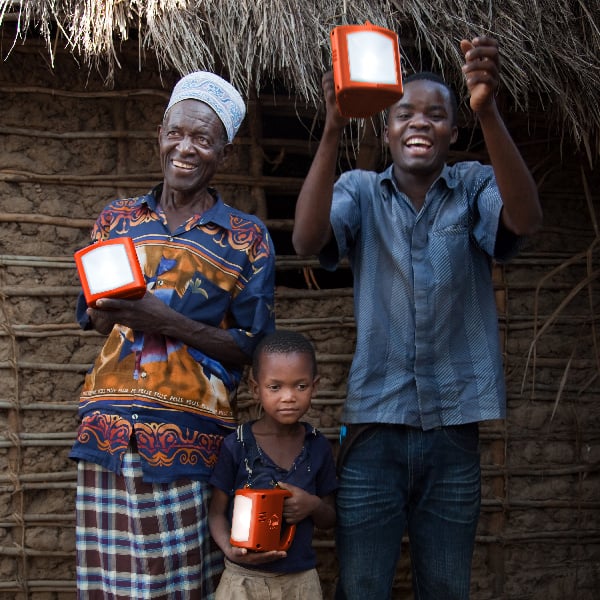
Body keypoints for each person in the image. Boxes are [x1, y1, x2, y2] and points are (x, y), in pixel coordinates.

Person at [292, 36, 543, 600]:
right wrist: (333, 126)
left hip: (455, 430)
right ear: (386, 130)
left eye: (437, 114)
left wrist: (489, 111)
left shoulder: (475, 184)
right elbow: (308, 240)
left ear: (454, 131)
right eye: (404, 113)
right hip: (375, 430)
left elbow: (524, 219)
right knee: (361, 586)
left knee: (446, 586)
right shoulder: (360, 192)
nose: (419, 123)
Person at [69, 71, 276, 599]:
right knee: (108, 588)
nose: (185, 148)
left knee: (178, 587)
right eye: (176, 133)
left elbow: (251, 346)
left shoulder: (246, 236)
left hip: (188, 438)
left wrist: (163, 321)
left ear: (223, 155)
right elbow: (91, 318)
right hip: (108, 432)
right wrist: (110, 307)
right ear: (160, 135)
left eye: (203, 140)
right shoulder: (117, 221)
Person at [208, 329, 337, 599]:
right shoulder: (237, 445)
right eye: (275, 387)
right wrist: (229, 549)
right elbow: (216, 513)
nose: (288, 396)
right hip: (242, 580)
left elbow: (329, 517)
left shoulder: (317, 446)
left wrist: (312, 505)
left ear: (315, 386)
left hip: (300, 582)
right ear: (256, 389)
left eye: (300, 386)